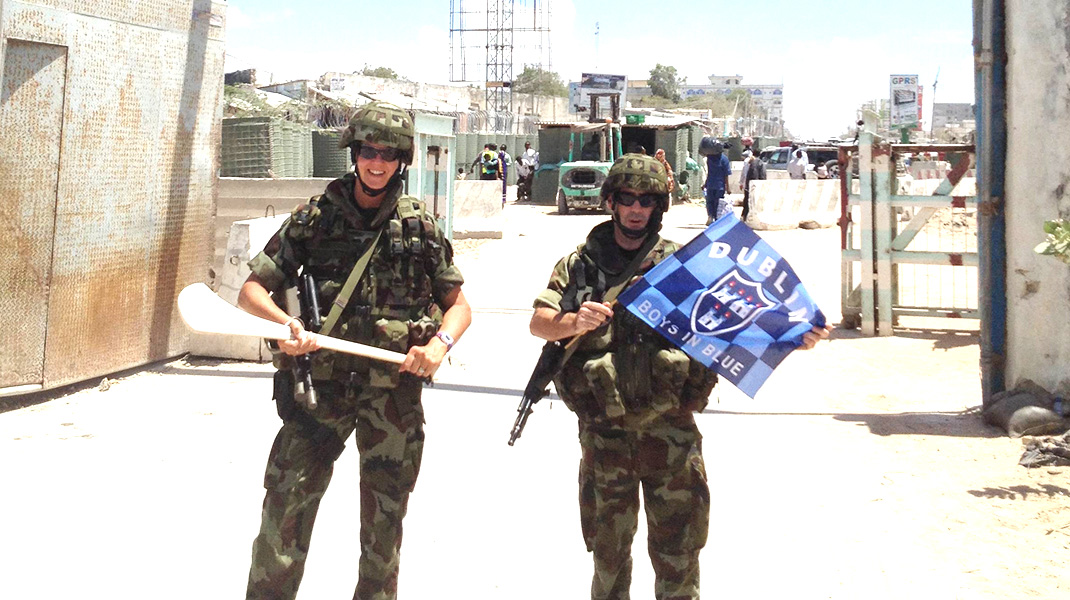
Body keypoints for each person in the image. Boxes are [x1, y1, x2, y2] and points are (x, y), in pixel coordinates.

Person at [529, 153, 830, 600]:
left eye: (647, 200)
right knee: (608, 558)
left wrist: (793, 335)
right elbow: (540, 322)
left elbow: (742, 319)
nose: (636, 209)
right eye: (627, 198)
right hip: (605, 437)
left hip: (671, 436)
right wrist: (572, 322)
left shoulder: (686, 267)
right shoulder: (580, 264)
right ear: (611, 202)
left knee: (679, 557)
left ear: (659, 206)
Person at [238, 101, 473, 600]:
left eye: (388, 154)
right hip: (318, 393)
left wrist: (439, 344)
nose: (377, 163)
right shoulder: (314, 219)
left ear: (402, 160)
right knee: (285, 508)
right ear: (354, 153)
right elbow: (252, 291)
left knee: (384, 526)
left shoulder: (420, 227)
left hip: (393, 397)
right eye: (368, 151)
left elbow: (459, 306)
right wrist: (286, 324)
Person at [700, 137, 731, 225]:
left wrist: (705, 184)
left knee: (710, 202)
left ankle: (710, 216)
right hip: (719, 186)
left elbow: (709, 172)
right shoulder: (724, 159)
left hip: (710, 184)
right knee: (718, 203)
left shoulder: (710, 158)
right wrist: (727, 187)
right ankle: (717, 219)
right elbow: (726, 174)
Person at [740, 149, 766, 222]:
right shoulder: (759, 163)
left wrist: (742, 182)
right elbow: (762, 175)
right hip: (755, 185)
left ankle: (744, 216)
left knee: (747, 201)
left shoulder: (748, 161)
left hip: (748, 185)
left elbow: (744, 173)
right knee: (753, 202)